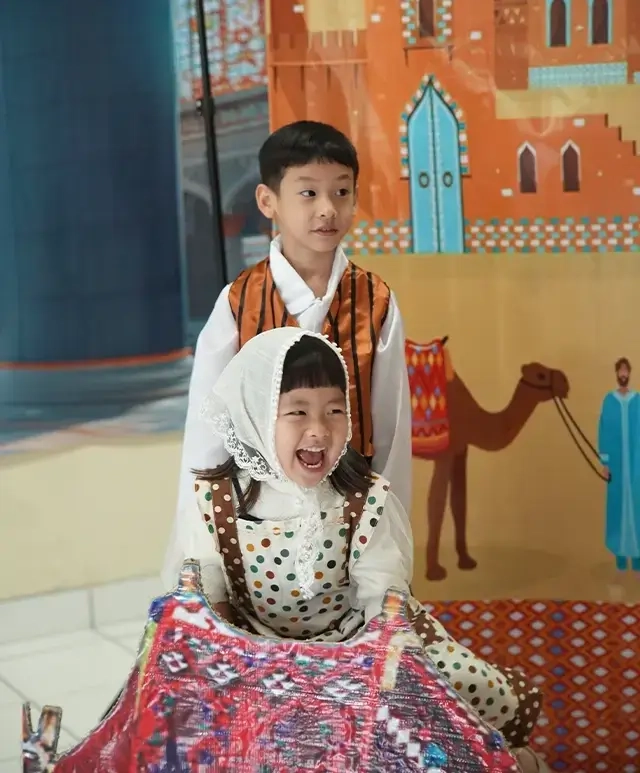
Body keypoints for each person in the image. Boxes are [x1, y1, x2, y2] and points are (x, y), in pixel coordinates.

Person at [177, 328, 546, 772]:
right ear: (255, 413)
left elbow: (381, 599)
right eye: (298, 412)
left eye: (334, 410)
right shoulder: (215, 501)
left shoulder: (362, 499)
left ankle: (514, 759)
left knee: (445, 711)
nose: (319, 430)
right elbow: (210, 603)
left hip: (364, 646)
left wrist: (368, 668)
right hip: (257, 655)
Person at [162, 120, 412, 587]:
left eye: (341, 192)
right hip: (257, 523)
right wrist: (200, 555)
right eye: (308, 193)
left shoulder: (375, 302)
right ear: (267, 201)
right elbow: (206, 433)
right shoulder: (239, 302)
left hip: (351, 517)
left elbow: (391, 431)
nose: (327, 209)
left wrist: (388, 544)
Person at [598, 357, 640, 571]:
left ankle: (638, 559)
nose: (623, 374)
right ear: (616, 374)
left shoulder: (638, 401)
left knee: (637, 506)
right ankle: (621, 558)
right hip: (616, 465)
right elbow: (604, 431)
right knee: (618, 508)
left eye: (626, 371)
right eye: (620, 371)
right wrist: (605, 462)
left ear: (629, 373)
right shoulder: (609, 401)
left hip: (636, 465)